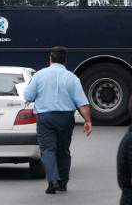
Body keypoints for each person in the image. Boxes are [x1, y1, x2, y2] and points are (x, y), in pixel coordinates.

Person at [24, 46, 92, 194]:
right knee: (63, 151)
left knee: (48, 150)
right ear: (65, 60)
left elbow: (28, 96)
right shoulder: (72, 78)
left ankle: (53, 181)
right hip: (66, 118)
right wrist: (88, 121)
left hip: (45, 118)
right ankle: (63, 183)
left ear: (50, 58)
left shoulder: (39, 75)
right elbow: (82, 103)